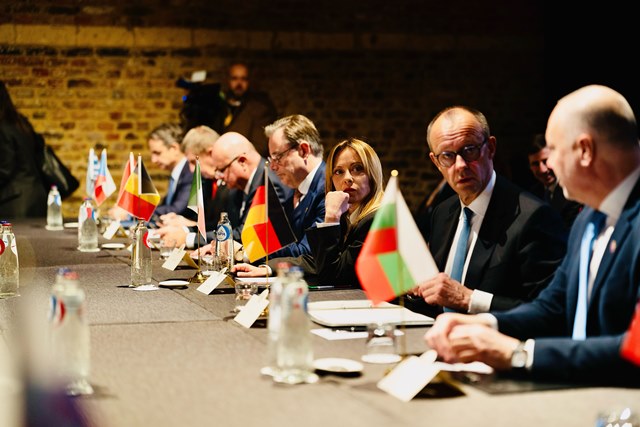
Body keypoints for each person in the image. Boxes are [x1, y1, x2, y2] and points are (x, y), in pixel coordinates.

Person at [425, 85, 640, 385]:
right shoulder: (588, 218)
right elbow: (553, 307)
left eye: (553, 150)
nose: (548, 165)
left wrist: (520, 354)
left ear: (585, 150)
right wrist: (485, 324)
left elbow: (634, 349)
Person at [408, 106, 568, 317]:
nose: (460, 165)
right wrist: (418, 290)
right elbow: (440, 300)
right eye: (447, 156)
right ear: (436, 162)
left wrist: (469, 299)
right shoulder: (442, 213)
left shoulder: (534, 217)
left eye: (469, 150)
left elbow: (549, 312)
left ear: (491, 148)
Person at [234, 138, 385, 288]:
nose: (347, 178)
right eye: (339, 171)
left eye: (357, 168)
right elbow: (315, 260)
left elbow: (333, 275)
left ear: (373, 173)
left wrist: (331, 219)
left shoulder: (376, 220)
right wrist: (268, 268)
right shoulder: (348, 217)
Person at [228, 114, 326, 270]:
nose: (273, 167)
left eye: (278, 157)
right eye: (271, 159)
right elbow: (280, 241)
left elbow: (308, 251)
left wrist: (247, 253)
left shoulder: (326, 188)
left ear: (303, 150)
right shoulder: (296, 189)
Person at [109, 123, 193, 223]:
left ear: (174, 148)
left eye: (157, 153)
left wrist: (131, 213)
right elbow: (165, 207)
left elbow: (175, 210)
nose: (153, 160)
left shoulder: (190, 172)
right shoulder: (178, 174)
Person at [0, 80, 48, 218]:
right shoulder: (20, 122)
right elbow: (39, 147)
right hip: (36, 194)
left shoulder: (2, 127)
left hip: (14, 200)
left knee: (10, 232)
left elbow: (5, 169)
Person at [527, 133, 582, 229]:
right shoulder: (531, 196)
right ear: (529, 167)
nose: (542, 169)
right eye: (535, 164)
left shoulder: (574, 190)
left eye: (545, 161)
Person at [221, 62, 277, 158]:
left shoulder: (259, 109)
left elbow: (260, 146)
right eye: (234, 78)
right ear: (227, 80)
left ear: (249, 81)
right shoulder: (220, 104)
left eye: (243, 79)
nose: (239, 83)